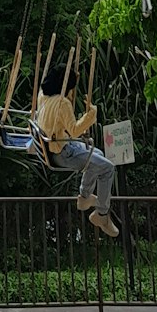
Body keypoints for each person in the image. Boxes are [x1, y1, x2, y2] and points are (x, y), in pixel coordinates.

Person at [35, 63, 118, 236]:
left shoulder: (43, 97)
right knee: (108, 168)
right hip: (64, 153)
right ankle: (102, 214)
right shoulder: (62, 103)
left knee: (99, 155)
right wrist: (91, 115)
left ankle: (84, 196)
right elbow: (74, 130)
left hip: (57, 148)